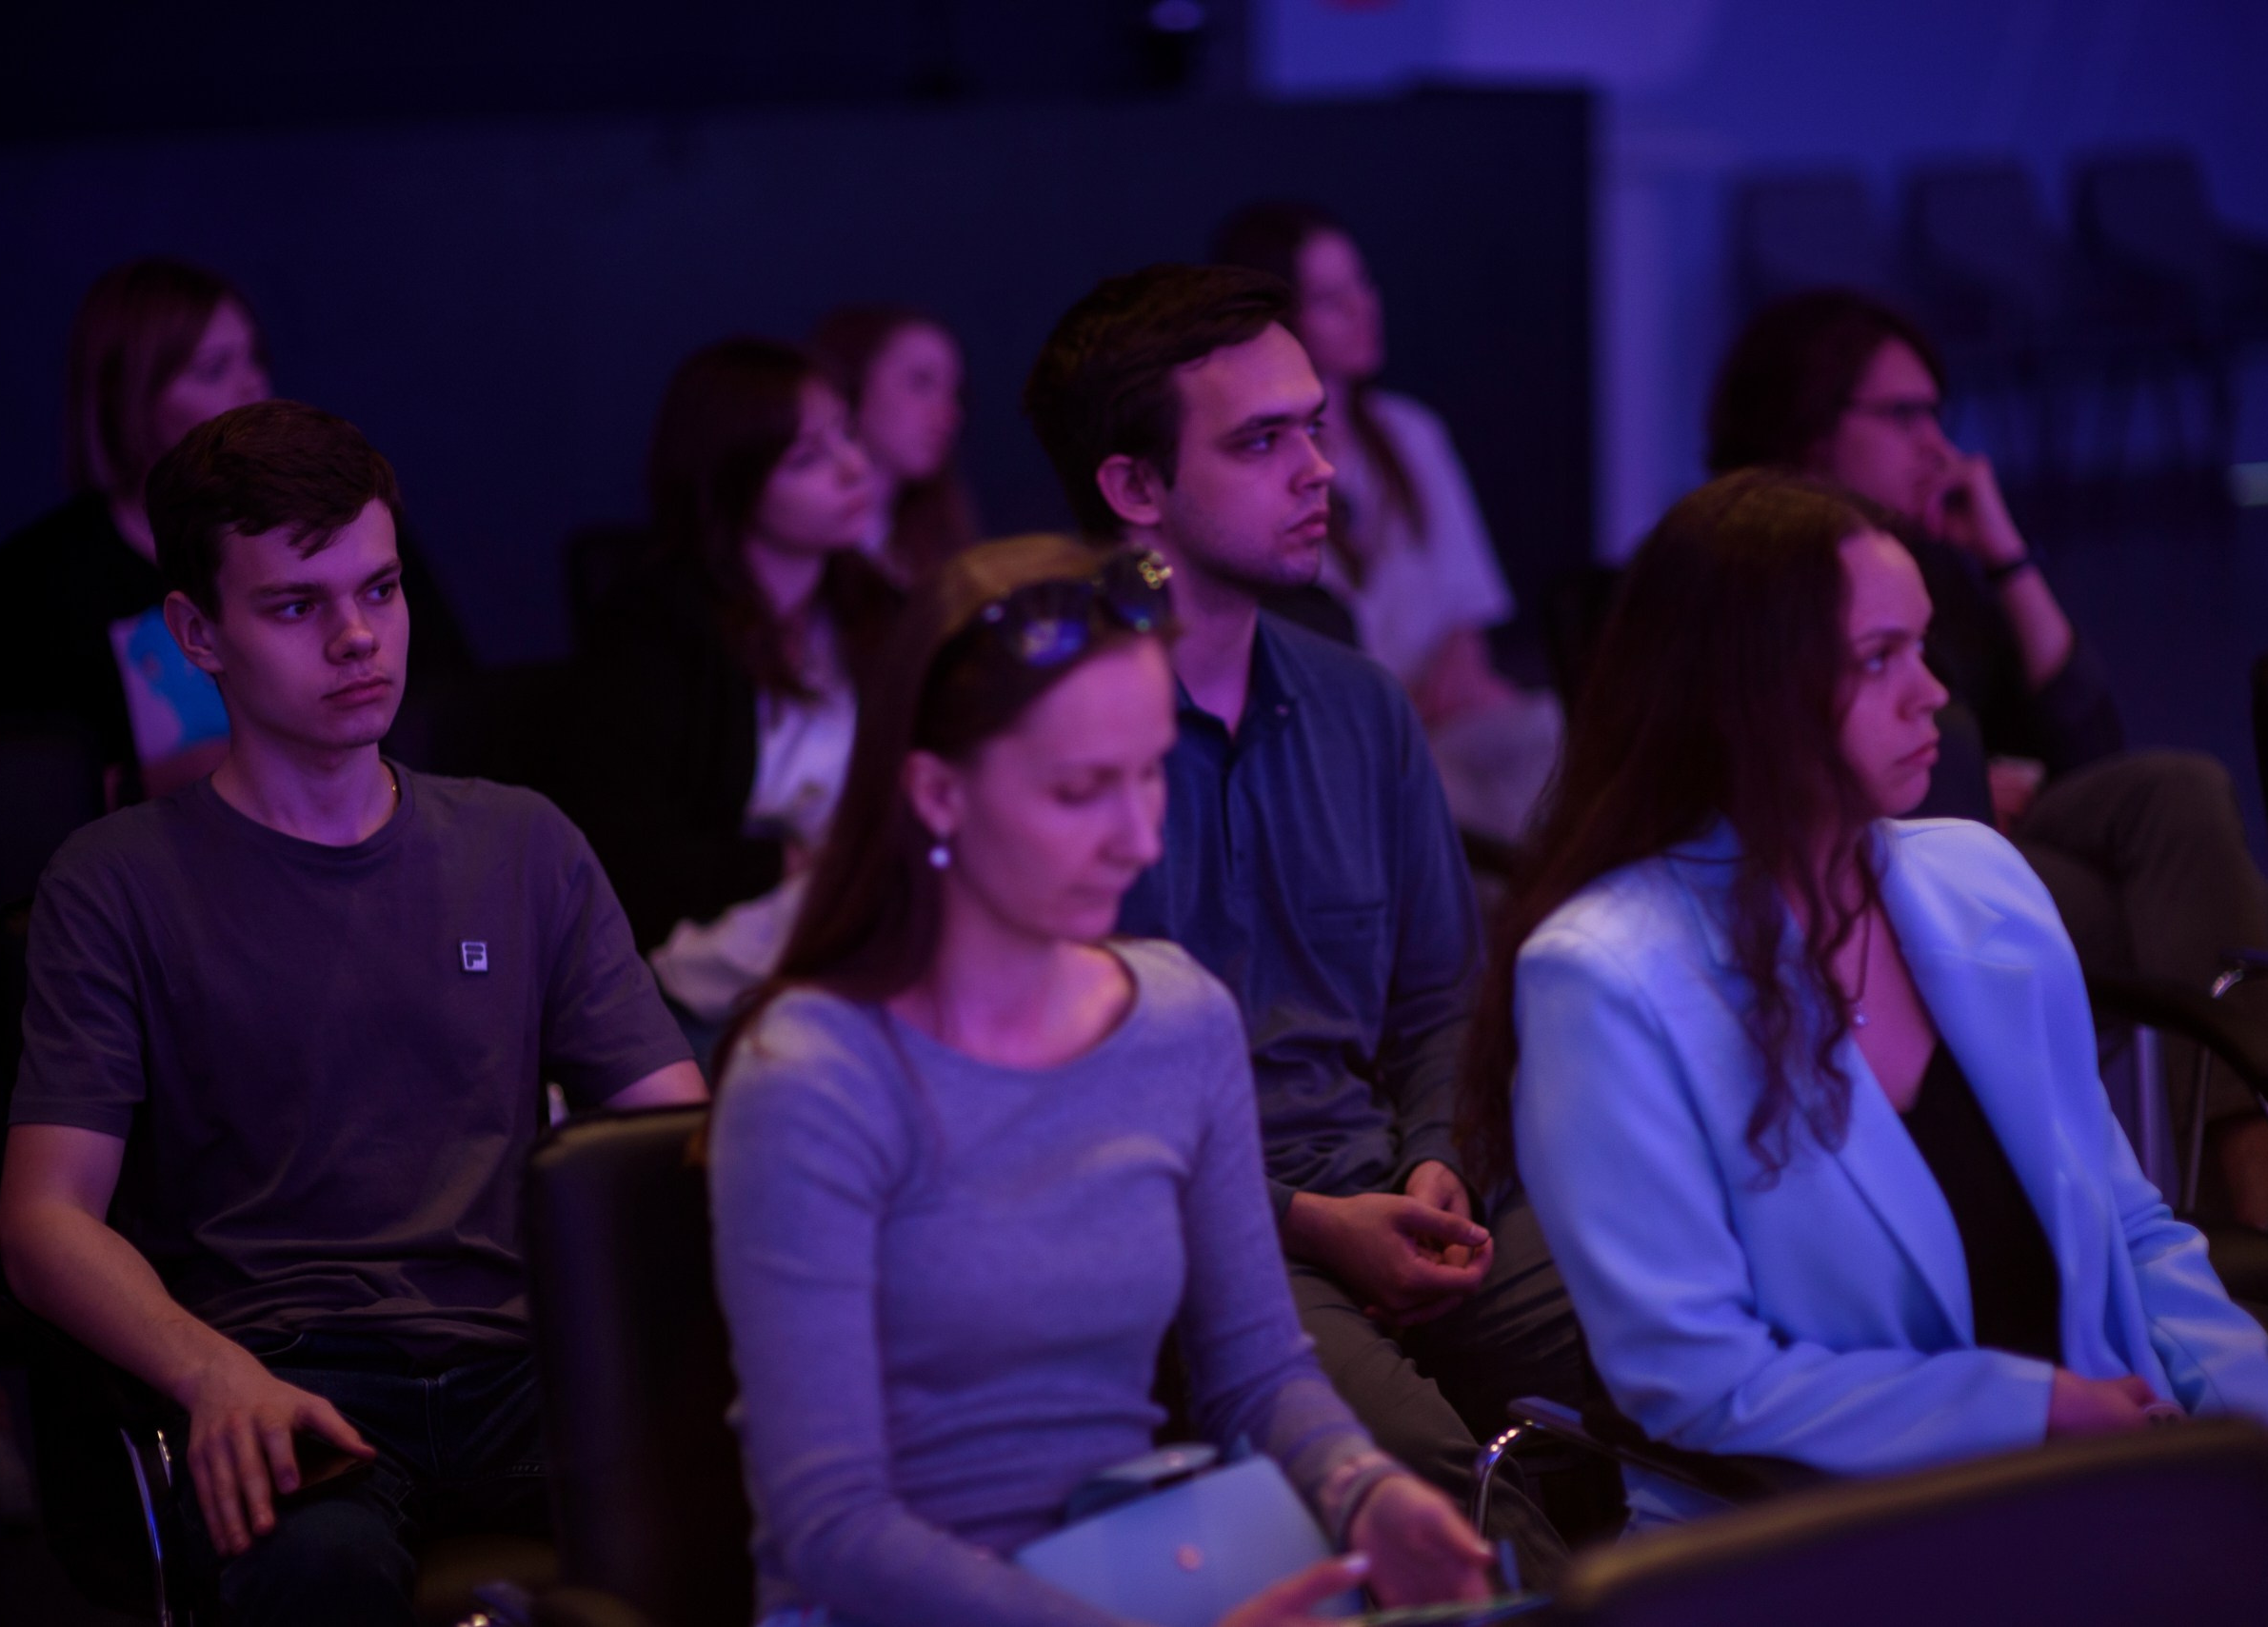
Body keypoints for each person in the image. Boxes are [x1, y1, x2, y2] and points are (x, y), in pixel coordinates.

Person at [1458, 467, 2268, 1541]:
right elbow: (1693, 1374)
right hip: (1833, 1546)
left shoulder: (1978, 875)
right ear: (1744, 693)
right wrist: (2037, 1414)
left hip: (2113, 1494)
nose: (1932, 691)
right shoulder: (1605, 974)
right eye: (1879, 658)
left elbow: (2130, 1224)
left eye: (1923, 647)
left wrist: (2263, 1432)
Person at [0, 400, 707, 1627]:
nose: (358, 636)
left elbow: (671, 1142)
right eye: (295, 604)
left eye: (379, 589)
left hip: (524, 1358)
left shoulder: (518, 841)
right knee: (315, 1569)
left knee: (745, 1484)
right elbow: (43, 1220)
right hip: (286, 1372)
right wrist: (211, 1372)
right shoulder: (116, 879)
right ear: (195, 634)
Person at [712, 533, 1497, 1627]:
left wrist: (1363, 1492)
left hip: (1141, 1562)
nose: (1137, 837)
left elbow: (1256, 1371)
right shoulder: (813, 1074)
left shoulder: (1173, 1015)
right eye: (1082, 790)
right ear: (937, 793)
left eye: (1149, 775)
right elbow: (835, 1524)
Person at [1022, 263, 1582, 1583]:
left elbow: (1446, 998)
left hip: (1400, 1181)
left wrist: (1439, 1156)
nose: (1319, 468)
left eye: (1317, 424)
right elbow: (1057, 1094)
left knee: (1666, 1353)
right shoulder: (1047, 740)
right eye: (1264, 440)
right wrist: (1316, 1222)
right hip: (1187, 1235)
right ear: (1134, 489)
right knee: (1443, 1495)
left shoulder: (1358, 705)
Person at [1707, 288, 2268, 1234]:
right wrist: (1966, 782)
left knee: (2179, 789)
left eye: (1939, 412)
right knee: (2188, 900)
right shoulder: (1744, 571)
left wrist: (2006, 553)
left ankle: (2234, 1195)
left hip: (1999, 841)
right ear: (1811, 422)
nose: (1938, 446)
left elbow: (2088, 745)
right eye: (1904, 414)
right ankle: (2253, 1201)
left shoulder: (1925, 564)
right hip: (1878, 868)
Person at [0, 257, 472, 806]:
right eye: (213, 369)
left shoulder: (353, 526)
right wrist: (146, 784)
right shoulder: (30, 585)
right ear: (128, 400)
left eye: (255, 357)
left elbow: (453, 711)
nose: (253, 383)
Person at [1211, 202, 1562, 844]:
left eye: (1362, 285)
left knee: (1553, 740)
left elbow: (1468, 618)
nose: (1363, 309)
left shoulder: (1409, 434)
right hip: (1344, 740)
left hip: (1443, 714)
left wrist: (1448, 691)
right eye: (1330, 299)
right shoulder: (1232, 470)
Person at [548, 337, 904, 968]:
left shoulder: (875, 607)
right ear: (732, 483)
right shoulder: (653, 626)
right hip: (711, 950)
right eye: (807, 457)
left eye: (848, 434)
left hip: (856, 920)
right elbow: (630, 857)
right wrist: (797, 861)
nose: (855, 467)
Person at [811, 303, 981, 580]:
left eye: (955, 393)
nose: (949, 414)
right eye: (921, 382)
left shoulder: (936, 547)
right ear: (852, 382)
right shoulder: (804, 544)